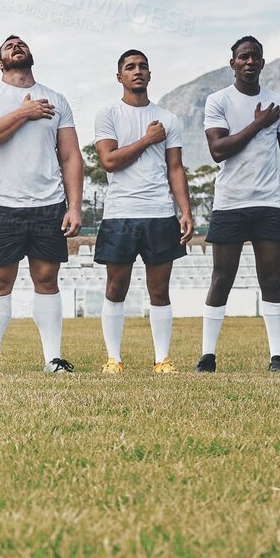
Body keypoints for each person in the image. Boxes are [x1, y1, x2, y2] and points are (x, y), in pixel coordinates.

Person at [0, 35, 83, 373]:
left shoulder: (57, 98)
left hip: (49, 204)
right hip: (2, 203)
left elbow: (72, 156)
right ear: (1, 63)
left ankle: (53, 359)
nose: (17, 46)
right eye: (8, 46)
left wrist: (74, 206)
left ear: (31, 55)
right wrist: (24, 112)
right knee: (0, 281)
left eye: (21, 43)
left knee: (47, 278)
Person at [202, 36, 280, 372]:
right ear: (233, 63)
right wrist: (258, 124)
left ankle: (276, 356)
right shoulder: (218, 101)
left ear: (262, 62)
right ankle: (207, 356)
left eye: (255, 57)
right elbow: (218, 151)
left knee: (270, 279)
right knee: (222, 277)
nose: (249, 62)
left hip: (269, 204)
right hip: (230, 202)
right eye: (243, 57)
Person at [91, 49, 192, 373]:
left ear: (150, 75)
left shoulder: (169, 119)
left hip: (160, 213)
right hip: (120, 213)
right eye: (130, 67)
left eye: (143, 66)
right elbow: (109, 160)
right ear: (119, 76)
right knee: (115, 288)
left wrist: (185, 211)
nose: (138, 71)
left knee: (159, 290)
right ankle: (113, 359)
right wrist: (148, 139)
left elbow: (175, 168)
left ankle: (162, 359)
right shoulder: (107, 113)